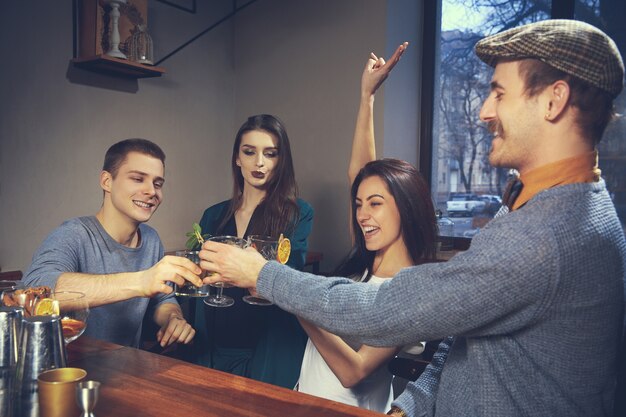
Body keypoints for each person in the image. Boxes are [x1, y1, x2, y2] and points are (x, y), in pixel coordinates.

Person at [199, 20, 626, 417]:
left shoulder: (546, 236)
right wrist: (411, 406)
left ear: (554, 100)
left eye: (498, 92)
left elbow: (384, 310)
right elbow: (461, 339)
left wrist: (264, 275)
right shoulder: (526, 204)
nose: (484, 112)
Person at [294, 42, 438, 413]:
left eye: (375, 205)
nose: (362, 214)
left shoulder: (409, 291)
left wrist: (295, 300)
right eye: (359, 205)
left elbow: (354, 371)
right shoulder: (361, 262)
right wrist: (366, 96)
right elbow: (361, 175)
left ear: (405, 209)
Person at [23, 138, 201, 348]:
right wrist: (141, 281)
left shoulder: (151, 239)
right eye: (137, 179)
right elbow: (34, 290)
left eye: (157, 183)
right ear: (107, 181)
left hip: (126, 369)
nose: (151, 191)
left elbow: (163, 299)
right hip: (71, 373)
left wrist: (173, 319)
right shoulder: (73, 234)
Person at [191, 114, 314, 388]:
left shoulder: (297, 214)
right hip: (213, 346)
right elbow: (198, 277)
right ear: (237, 158)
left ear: (281, 161)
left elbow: (290, 277)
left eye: (270, 154)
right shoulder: (213, 215)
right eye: (249, 152)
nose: (259, 162)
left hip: (268, 347)